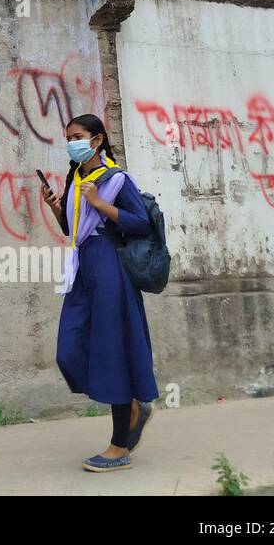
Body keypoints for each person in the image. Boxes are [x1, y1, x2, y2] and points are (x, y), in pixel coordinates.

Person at [41, 113, 158, 472]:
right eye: (67, 137)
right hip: (83, 269)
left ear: (97, 139)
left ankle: (119, 445)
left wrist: (102, 204)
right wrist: (56, 208)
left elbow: (142, 222)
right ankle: (135, 407)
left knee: (112, 352)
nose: (71, 142)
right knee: (69, 350)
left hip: (110, 267)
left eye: (77, 136)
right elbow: (73, 228)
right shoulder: (76, 176)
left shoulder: (115, 179)